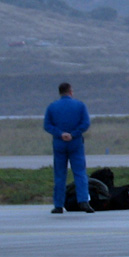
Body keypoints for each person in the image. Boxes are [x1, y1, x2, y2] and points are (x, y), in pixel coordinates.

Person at [43, 82, 93, 214]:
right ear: (70, 91)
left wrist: (60, 134)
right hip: (75, 143)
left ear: (60, 92)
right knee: (80, 173)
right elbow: (86, 123)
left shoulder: (52, 107)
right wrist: (74, 134)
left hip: (59, 143)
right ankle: (83, 201)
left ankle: (58, 205)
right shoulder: (80, 105)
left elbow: (47, 125)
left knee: (60, 174)